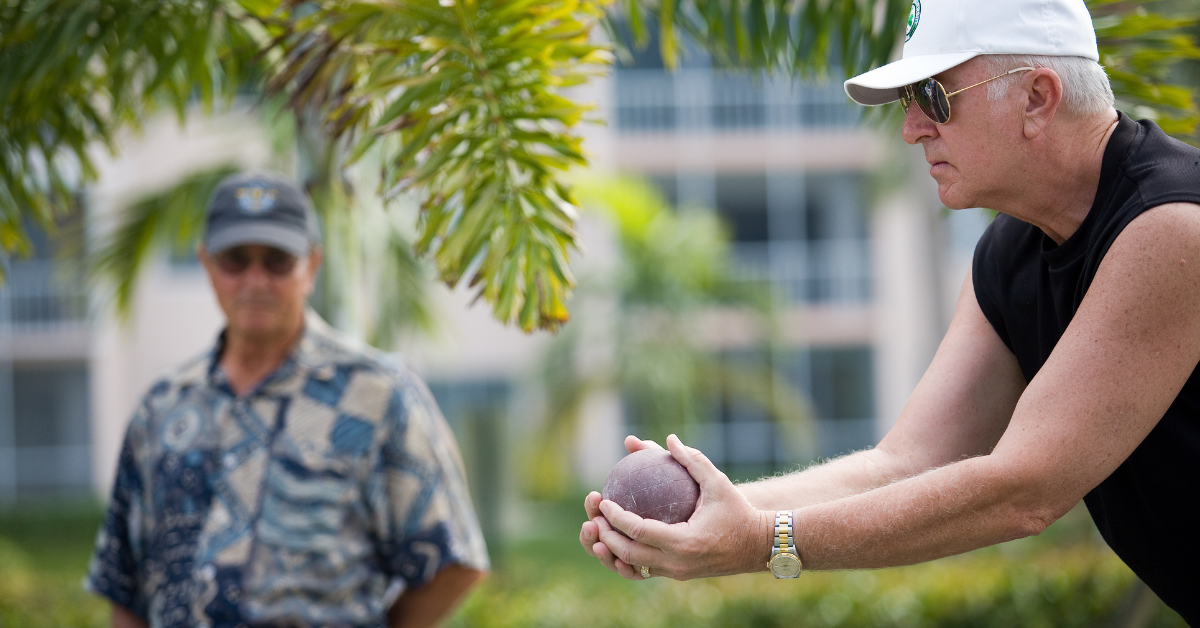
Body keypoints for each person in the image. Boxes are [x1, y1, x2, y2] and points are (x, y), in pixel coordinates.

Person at [579, 0, 1200, 622]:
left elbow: (1025, 489)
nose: (912, 129)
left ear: (1038, 97)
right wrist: (704, 516)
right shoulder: (1011, 254)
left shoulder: (1172, 224)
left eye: (935, 95)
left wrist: (763, 540)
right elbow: (905, 462)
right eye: (908, 101)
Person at [86, 172, 489, 628]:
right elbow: (124, 587)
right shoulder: (161, 409)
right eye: (235, 260)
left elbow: (455, 561)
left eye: (277, 261)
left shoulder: (378, 395)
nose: (255, 280)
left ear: (312, 266)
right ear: (206, 263)